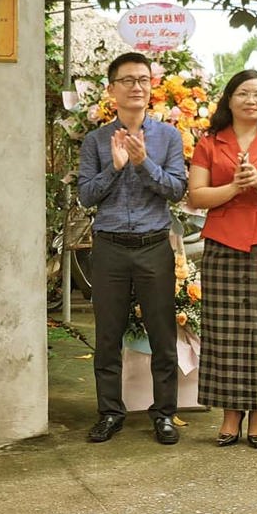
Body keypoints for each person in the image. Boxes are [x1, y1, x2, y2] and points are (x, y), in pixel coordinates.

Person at [78, 52, 189, 445]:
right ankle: (110, 412)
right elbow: (86, 196)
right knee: (107, 336)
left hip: (152, 246)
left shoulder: (168, 137)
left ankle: (164, 414)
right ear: (112, 90)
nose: (136, 86)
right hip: (108, 247)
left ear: (151, 87)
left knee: (162, 335)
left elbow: (178, 189)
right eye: (127, 80)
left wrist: (144, 164)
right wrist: (117, 167)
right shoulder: (95, 140)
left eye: (143, 79)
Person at [188, 70, 257, 449]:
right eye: (243, 93)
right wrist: (235, 186)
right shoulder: (209, 142)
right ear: (229, 99)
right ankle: (230, 411)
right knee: (224, 331)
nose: (251, 100)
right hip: (221, 242)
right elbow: (196, 197)